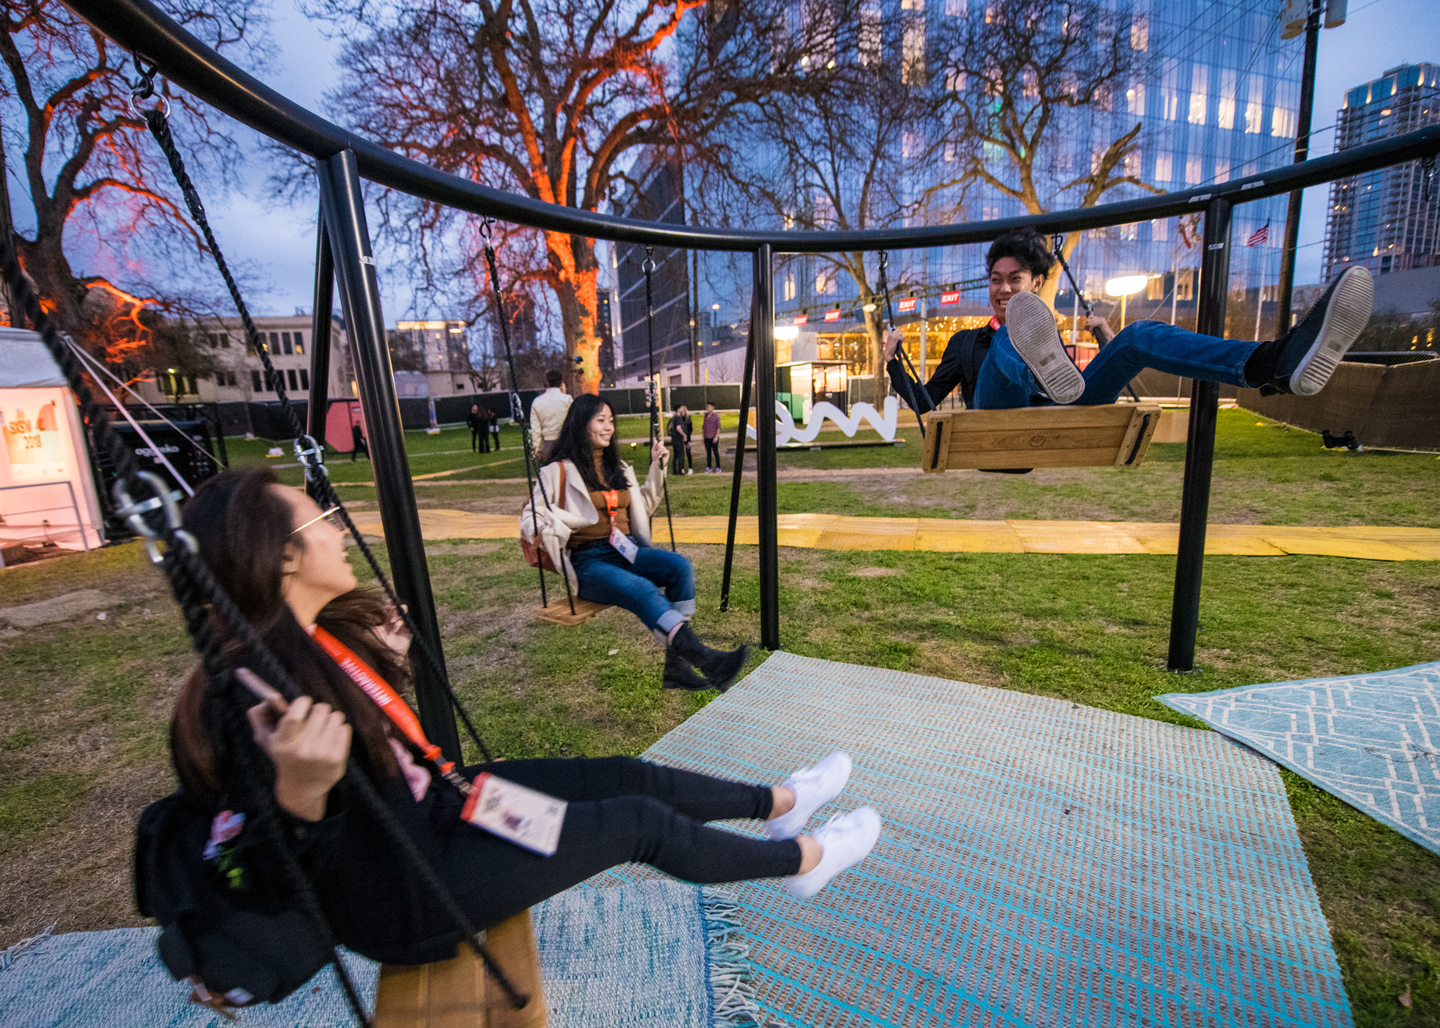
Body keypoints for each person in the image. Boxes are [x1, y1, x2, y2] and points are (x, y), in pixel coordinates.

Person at [164, 468, 882, 973]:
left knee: (620, 775)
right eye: (321, 518)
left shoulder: (309, 635)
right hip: (413, 891)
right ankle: (806, 862)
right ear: (283, 557)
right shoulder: (252, 695)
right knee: (636, 822)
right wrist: (297, 797)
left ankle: (782, 804)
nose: (339, 527)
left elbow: (376, 749)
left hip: (447, 806)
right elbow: (251, 870)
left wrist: (383, 659)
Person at [885, 227, 1374, 414]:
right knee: (1010, 345)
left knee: (1140, 335)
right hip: (998, 410)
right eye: (996, 279)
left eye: (1016, 279)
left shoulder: (1043, 328)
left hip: (1069, 404)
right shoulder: (966, 342)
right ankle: (1042, 373)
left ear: (1036, 283)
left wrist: (1106, 338)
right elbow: (927, 405)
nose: (1004, 288)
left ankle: (1274, 363)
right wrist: (892, 364)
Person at [522, 394, 748, 691]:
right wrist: (554, 523)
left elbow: (642, 505)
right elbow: (530, 517)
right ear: (580, 424)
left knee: (679, 567)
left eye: (611, 421)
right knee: (643, 589)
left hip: (627, 549)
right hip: (589, 562)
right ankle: (706, 659)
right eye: (600, 420)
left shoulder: (620, 466)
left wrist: (657, 467)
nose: (608, 428)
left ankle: (676, 667)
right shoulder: (557, 472)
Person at [529, 370, 572, 462]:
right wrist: (563, 393)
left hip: (548, 442)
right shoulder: (567, 399)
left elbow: (536, 428)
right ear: (561, 383)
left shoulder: (537, 401)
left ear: (547, 383)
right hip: (565, 441)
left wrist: (537, 447)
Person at [667, 405, 694, 476]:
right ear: (678, 410)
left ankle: (674, 471)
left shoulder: (673, 418)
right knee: (680, 455)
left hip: (674, 438)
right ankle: (680, 470)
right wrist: (684, 435)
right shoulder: (678, 418)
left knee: (675, 456)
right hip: (679, 439)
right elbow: (678, 428)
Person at [702, 403, 722, 474]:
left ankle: (718, 467)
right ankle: (709, 467)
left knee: (715, 452)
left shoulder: (716, 416)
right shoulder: (705, 416)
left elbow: (718, 427)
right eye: (707, 407)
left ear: (713, 407)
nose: (707, 408)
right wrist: (703, 437)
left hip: (713, 437)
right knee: (708, 453)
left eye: (709, 407)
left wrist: (716, 436)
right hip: (707, 437)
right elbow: (703, 427)